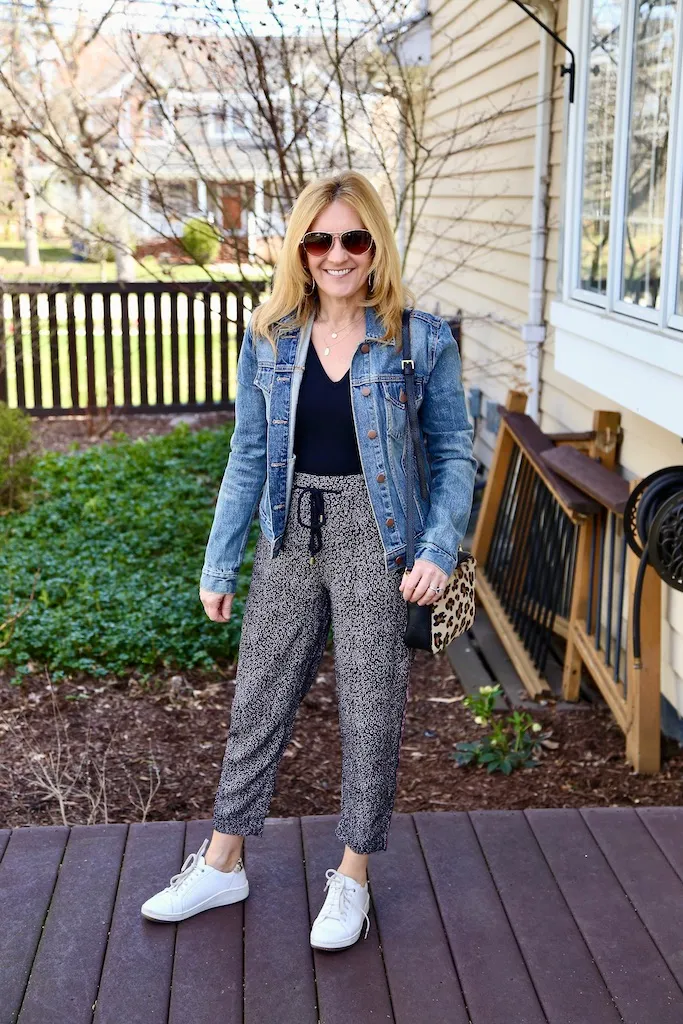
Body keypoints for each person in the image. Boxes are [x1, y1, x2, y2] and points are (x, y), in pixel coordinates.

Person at [140, 170, 477, 950]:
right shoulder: (271, 337)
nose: (336, 255)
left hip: (376, 537)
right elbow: (246, 454)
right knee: (257, 700)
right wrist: (219, 562)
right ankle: (223, 862)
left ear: (375, 244)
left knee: (370, 708)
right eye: (318, 240)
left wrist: (436, 547)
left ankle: (352, 877)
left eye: (352, 238)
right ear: (299, 248)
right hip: (288, 533)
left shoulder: (419, 339)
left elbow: (453, 454)